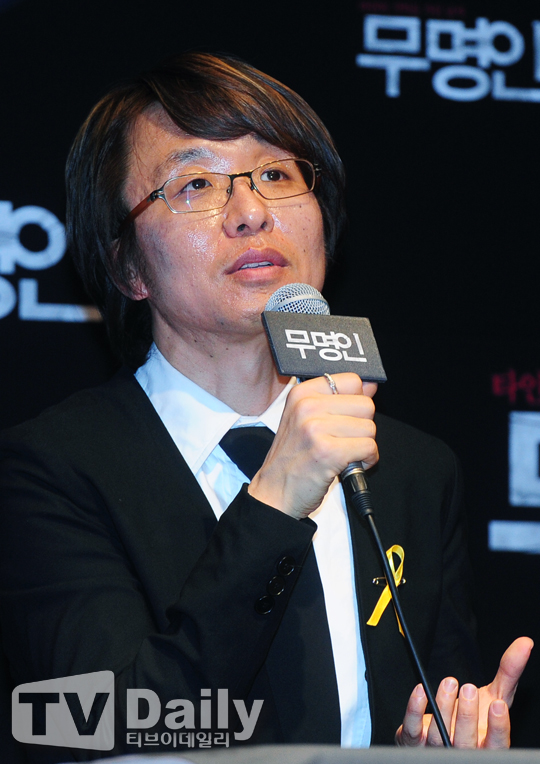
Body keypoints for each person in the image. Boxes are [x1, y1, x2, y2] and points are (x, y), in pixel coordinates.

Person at [0, 52, 532, 761]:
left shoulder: (411, 469)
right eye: (195, 184)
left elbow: (430, 704)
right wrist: (278, 495)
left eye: (277, 176)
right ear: (127, 265)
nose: (252, 213)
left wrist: (425, 748)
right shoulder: (50, 471)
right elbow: (103, 727)